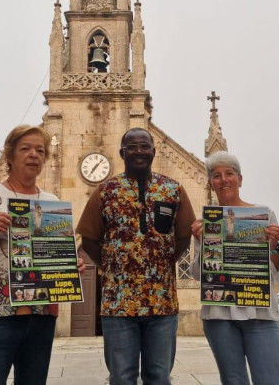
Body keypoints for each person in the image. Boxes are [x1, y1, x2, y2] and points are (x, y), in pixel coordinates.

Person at [0, 124, 84, 385]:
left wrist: (67, 266)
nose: (33, 154)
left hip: (41, 315)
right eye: (25, 149)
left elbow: (52, 254)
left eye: (40, 150)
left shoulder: (50, 201)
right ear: (9, 157)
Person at [77, 128, 196, 385]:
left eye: (145, 146)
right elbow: (88, 238)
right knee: (121, 377)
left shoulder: (173, 190)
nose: (139, 151)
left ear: (154, 151)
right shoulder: (105, 191)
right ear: (122, 153)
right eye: (132, 147)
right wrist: (111, 266)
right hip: (118, 305)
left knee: (159, 376)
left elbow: (185, 236)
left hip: (162, 305)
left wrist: (163, 264)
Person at [191, 151, 279, 385]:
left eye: (229, 173)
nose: (224, 180)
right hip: (219, 316)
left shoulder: (264, 215)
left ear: (240, 179)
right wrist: (204, 243)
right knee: (233, 380)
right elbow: (198, 274)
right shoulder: (207, 223)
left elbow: (278, 273)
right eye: (216, 175)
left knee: (269, 380)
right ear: (210, 183)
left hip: (260, 314)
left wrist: (274, 246)